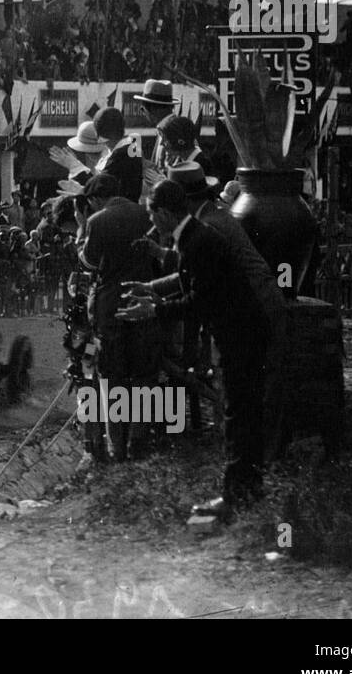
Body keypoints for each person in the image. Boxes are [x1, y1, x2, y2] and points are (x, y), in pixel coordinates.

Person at [118, 179, 271, 518]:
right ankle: (247, 491)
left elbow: (199, 301)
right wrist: (150, 287)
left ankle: (237, 498)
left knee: (237, 414)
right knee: (240, 413)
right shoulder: (195, 236)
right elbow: (186, 278)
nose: (151, 223)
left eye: (152, 215)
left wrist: (154, 310)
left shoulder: (197, 242)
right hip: (241, 333)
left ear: (165, 213)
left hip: (238, 337)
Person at [76, 173, 155, 462]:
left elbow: (90, 260)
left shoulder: (98, 221)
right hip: (144, 298)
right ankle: (139, 440)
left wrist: (81, 231)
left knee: (111, 375)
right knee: (143, 373)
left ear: (96, 199)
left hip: (109, 305)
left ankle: (116, 447)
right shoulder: (146, 214)